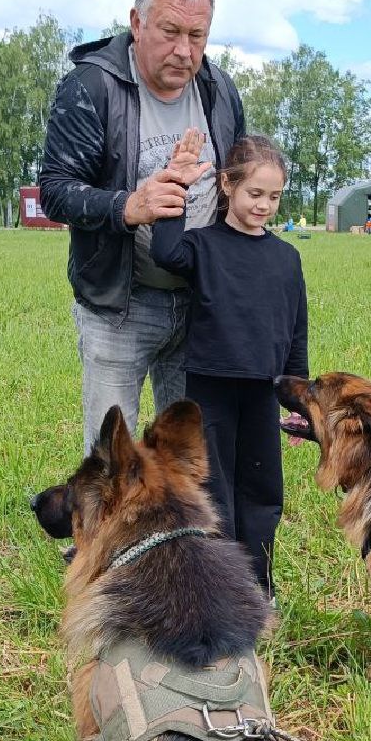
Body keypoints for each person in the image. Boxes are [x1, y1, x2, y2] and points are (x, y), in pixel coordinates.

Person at [38, 0, 245, 441]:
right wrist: (129, 206)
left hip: (200, 302)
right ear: (136, 22)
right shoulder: (91, 87)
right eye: (170, 31)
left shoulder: (218, 90)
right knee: (112, 464)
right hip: (119, 305)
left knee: (187, 458)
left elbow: (236, 179)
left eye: (197, 36)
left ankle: (176, 523)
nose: (184, 50)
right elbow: (55, 189)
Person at [150, 129, 306, 597]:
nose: (263, 205)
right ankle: (220, 587)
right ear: (227, 185)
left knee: (261, 491)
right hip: (210, 387)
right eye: (255, 193)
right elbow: (164, 251)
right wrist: (176, 182)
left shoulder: (286, 258)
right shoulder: (202, 246)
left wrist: (297, 399)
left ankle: (258, 588)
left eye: (274, 197)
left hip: (262, 390)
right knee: (215, 489)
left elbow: (296, 330)